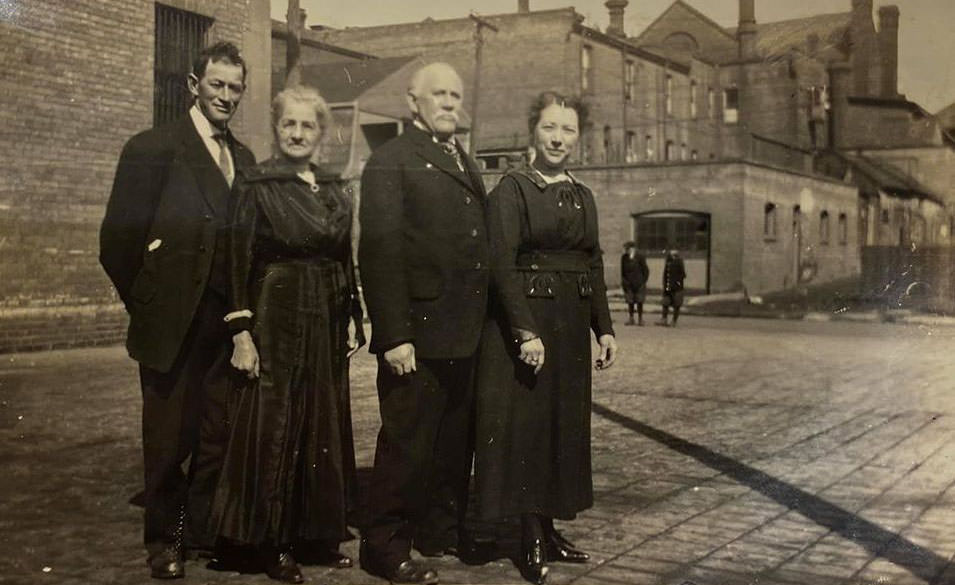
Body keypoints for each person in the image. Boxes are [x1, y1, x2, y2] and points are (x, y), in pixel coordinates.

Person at [99, 41, 255, 579]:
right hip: (170, 322)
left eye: (236, 88)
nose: (226, 97)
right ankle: (165, 542)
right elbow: (117, 243)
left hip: (225, 325)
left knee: (217, 433)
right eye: (217, 85)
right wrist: (147, 304)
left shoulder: (246, 158)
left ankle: (203, 531)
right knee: (167, 438)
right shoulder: (152, 148)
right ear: (193, 86)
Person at [208, 85, 365, 583]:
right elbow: (234, 261)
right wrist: (241, 332)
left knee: (321, 420)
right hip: (275, 314)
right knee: (276, 426)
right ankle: (270, 542)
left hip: (326, 315)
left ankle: (315, 535)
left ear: (321, 133)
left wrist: (354, 314)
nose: (298, 134)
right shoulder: (256, 185)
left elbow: (344, 257)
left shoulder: (334, 187)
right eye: (288, 125)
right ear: (277, 130)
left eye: (307, 126)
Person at [474, 91, 618, 584]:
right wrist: (524, 330)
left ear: (579, 137)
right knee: (530, 429)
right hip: (531, 327)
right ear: (533, 131)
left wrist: (605, 328)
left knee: (563, 426)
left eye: (568, 130)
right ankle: (528, 534)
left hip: (572, 327)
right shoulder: (512, 189)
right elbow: (500, 265)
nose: (558, 138)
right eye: (550, 128)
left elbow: (593, 263)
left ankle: (550, 528)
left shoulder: (582, 194)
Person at [358, 62, 489, 585]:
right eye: (438, 94)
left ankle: (441, 530)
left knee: (454, 441)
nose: (449, 103)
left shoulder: (463, 158)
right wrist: (394, 334)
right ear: (413, 102)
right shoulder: (392, 160)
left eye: (456, 95)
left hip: (464, 330)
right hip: (417, 332)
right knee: (407, 443)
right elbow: (380, 252)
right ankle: (384, 544)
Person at [620, 242, 649, 326]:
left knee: (640, 301)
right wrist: (624, 281)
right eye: (626, 249)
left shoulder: (640, 257)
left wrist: (643, 281)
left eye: (628, 249)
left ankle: (640, 319)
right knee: (630, 301)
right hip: (628, 283)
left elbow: (646, 271)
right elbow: (622, 271)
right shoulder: (624, 258)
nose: (627, 251)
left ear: (633, 249)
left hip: (639, 283)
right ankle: (631, 318)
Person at [659, 249, 686, 327]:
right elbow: (665, 275)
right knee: (665, 303)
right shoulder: (668, 262)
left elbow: (683, 275)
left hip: (677, 287)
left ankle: (674, 321)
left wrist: (677, 283)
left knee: (676, 304)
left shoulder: (679, 262)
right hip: (668, 286)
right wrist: (665, 285)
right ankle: (664, 319)